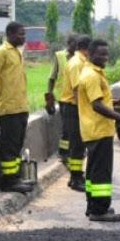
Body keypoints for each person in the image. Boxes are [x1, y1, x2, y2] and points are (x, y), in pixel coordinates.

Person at [78, 39, 120, 222]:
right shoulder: (91, 76)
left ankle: (93, 206)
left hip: (95, 129)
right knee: (101, 172)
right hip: (98, 129)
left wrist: (117, 103)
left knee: (93, 170)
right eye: (101, 54)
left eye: (106, 54)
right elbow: (96, 106)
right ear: (90, 53)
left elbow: (100, 101)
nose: (105, 57)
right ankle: (99, 210)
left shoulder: (94, 72)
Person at [0, 22, 34, 193]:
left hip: (21, 107)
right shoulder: (1, 52)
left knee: (17, 145)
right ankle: (8, 182)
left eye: (24, 34)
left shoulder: (17, 52)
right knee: (9, 147)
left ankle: (15, 178)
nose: (23, 37)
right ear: (10, 34)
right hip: (9, 108)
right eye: (21, 34)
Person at [63, 35, 91, 191]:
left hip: (76, 107)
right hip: (74, 107)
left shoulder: (81, 62)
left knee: (79, 144)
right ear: (86, 48)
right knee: (76, 145)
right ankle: (75, 178)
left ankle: (77, 175)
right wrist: (83, 111)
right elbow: (76, 90)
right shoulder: (76, 64)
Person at [46, 34, 78, 166]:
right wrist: (49, 95)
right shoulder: (60, 56)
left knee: (75, 127)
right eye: (74, 45)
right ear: (68, 43)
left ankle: (73, 150)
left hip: (77, 98)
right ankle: (64, 152)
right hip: (63, 97)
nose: (76, 48)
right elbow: (52, 77)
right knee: (66, 127)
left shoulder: (80, 58)